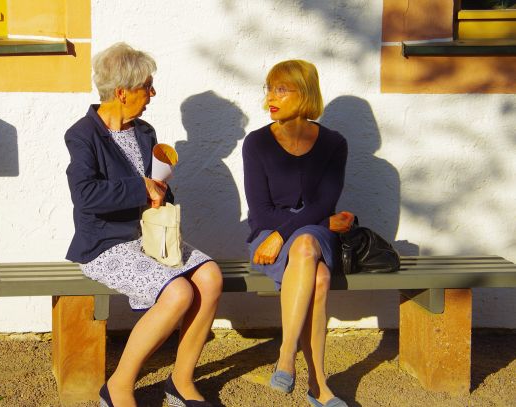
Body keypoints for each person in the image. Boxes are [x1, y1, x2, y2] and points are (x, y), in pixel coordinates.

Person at [65, 42, 222, 407]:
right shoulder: (83, 135)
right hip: (105, 244)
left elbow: (156, 187)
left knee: (211, 277)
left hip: (150, 239)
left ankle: (180, 382)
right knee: (178, 293)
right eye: (147, 86)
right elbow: (85, 195)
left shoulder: (144, 132)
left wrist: (161, 193)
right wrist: (141, 188)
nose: (153, 94)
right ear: (122, 92)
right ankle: (117, 387)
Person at [242, 59, 352, 407]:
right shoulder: (256, 143)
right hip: (268, 235)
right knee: (319, 277)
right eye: (269, 89)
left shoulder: (333, 143)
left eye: (281, 89)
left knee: (305, 244)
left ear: (304, 93)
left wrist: (296, 230)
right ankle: (319, 386)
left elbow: (325, 202)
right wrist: (284, 233)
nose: (270, 98)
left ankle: (286, 355)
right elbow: (261, 211)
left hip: (311, 235)